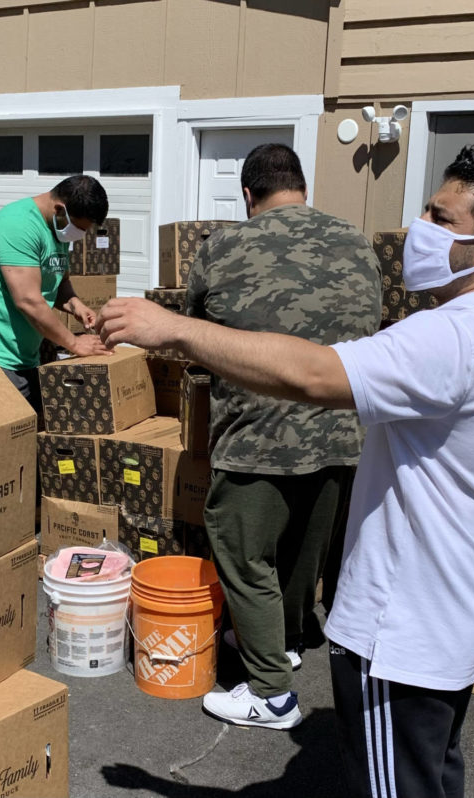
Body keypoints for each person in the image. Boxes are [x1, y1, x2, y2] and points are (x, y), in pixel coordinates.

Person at [97, 143, 474, 798]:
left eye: (440, 216)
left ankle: (267, 682)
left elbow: (315, 373)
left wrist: (172, 329)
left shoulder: (455, 337)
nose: (419, 227)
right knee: (430, 770)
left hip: (404, 631)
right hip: (460, 606)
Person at [182, 143, 382, 730]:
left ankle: (271, 691)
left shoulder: (222, 247)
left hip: (256, 436)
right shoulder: (357, 242)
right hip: (345, 432)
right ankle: (290, 641)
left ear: (249, 194)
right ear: (299, 185)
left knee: (245, 555)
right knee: (304, 550)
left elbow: (196, 332)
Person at [0, 175, 112, 419]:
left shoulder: (56, 229)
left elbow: (57, 282)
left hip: (23, 357)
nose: (81, 235)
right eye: (80, 228)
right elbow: (28, 301)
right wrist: (75, 343)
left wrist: (76, 305)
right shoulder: (18, 225)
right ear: (60, 210)